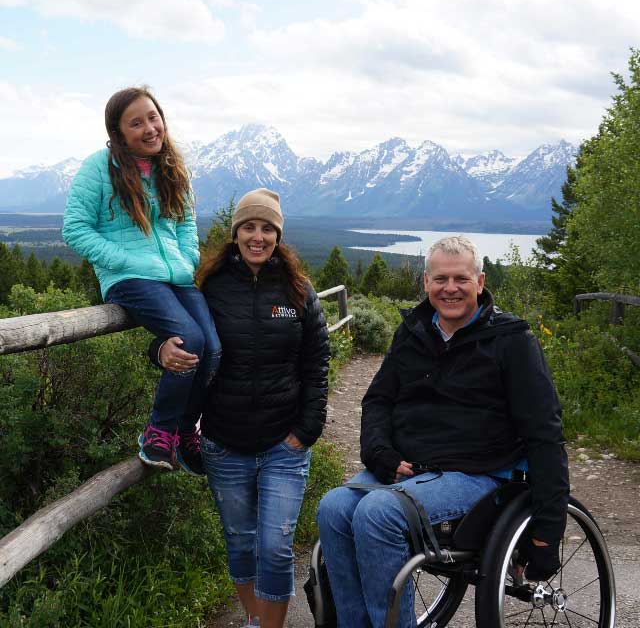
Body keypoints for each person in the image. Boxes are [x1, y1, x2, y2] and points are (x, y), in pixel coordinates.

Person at [317, 235, 570, 628]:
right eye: (440, 279)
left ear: (480, 282)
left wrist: (547, 532)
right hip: (413, 468)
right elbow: (378, 401)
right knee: (333, 507)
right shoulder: (413, 333)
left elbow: (544, 434)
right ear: (426, 283)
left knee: (377, 513)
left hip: (477, 474)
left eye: (461, 279)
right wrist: (380, 455)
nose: (450, 288)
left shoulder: (511, 342)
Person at [151, 188, 330, 628]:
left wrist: (306, 430)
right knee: (241, 541)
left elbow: (317, 362)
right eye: (249, 227)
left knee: (275, 546)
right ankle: (256, 620)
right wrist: (160, 350)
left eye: (267, 228)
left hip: (283, 444)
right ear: (235, 234)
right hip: (223, 441)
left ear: (277, 235)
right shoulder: (207, 288)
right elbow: (177, 337)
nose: (257, 236)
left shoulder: (298, 290)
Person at [62, 86, 221, 476]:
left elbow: (186, 225)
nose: (150, 128)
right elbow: (75, 228)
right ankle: (160, 431)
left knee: (214, 347)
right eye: (136, 123)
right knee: (191, 337)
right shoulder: (99, 167)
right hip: (129, 278)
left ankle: (186, 431)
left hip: (176, 277)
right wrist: (126, 260)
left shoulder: (171, 167)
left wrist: (187, 261)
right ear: (118, 133)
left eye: (153, 117)